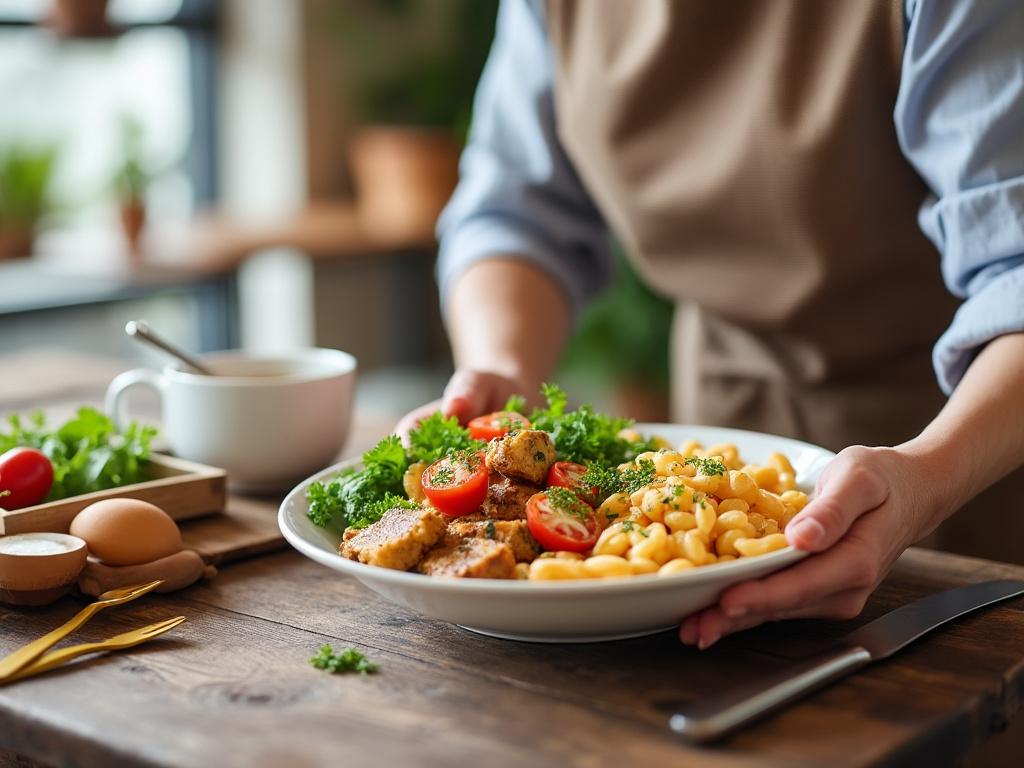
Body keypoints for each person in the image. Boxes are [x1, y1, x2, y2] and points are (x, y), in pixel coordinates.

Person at [397, 0, 1024, 649]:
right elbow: (515, 213)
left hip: (968, 452)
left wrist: (930, 475)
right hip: (712, 443)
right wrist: (501, 366)